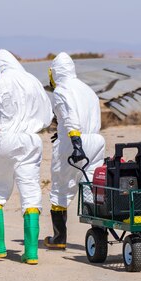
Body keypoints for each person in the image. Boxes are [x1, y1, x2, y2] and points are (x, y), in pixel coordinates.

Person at [0, 49, 54, 265]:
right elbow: (47, 117)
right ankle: (30, 252)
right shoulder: (33, 81)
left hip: (5, 138)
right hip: (32, 140)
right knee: (30, 190)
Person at [44, 52, 106, 250]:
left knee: (61, 188)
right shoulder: (88, 90)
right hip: (96, 141)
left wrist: (75, 143)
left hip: (73, 143)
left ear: (55, 72)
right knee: (91, 187)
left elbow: (70, 118)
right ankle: (98, 236)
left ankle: (59, 238)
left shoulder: (62, 91)